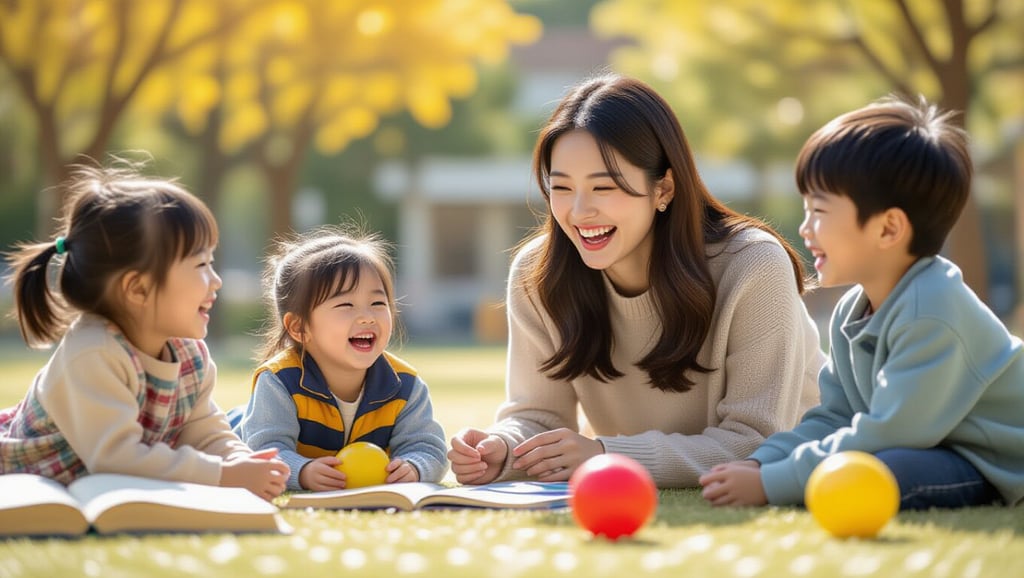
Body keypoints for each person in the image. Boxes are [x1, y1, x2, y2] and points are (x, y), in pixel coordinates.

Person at [448, 73, 825, 488]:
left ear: (662, 188)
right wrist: (503, 449)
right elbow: (538, 416)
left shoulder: (752, 266)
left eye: (603, 187)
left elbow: (756, 442)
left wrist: (607, 455)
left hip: (821, 475)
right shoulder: (537, 275)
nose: (578, 211)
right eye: (561, 187)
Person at [700, 95, 1024, 509]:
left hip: (989, 462)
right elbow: (834, 416)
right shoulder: (852, 310)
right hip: (927, 445)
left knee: (886, 467)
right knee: (872, 461)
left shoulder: (934, 310)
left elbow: (890, 432)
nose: (805, 227)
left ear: (889, 228)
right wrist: (763, 464)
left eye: (819, 210)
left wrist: (775, 484)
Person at [0, 161, 289, 501]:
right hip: (26, 475)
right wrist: (223, 476)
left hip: (92, 483)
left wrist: (242, 461)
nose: (217, 281)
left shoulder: (189, 355)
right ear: (137, 289)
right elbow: (117, 458)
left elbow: (205, 430)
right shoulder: (94, 351)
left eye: (212, 262)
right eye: (200, 265)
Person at [231, 226, 448, 491]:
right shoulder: (280, 381)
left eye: (378, 304)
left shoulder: (405, 385)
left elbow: (429, 448)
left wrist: (414, 467)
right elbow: (265, 450)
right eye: (346, 305)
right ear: (299, 327)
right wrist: (302, 471)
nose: (367, 316)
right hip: (235, 433)